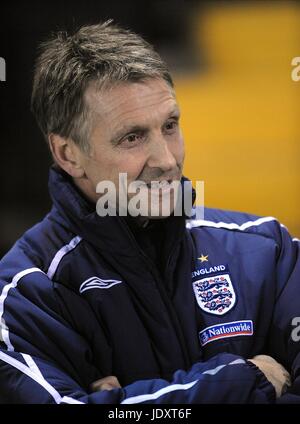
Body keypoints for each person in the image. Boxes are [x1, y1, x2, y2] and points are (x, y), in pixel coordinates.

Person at [0, 20, 298, 404]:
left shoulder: (267, 248)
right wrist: (244, 382)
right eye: (133, 137)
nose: (166, 159)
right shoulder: (26, 295)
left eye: (170, 126)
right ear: (68, 154)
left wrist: (127, 401)